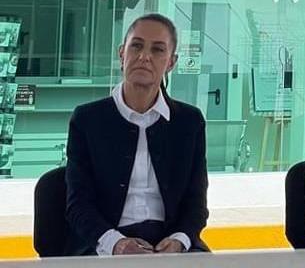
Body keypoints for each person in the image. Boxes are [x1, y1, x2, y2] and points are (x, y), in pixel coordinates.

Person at [65, 13, 208, 256]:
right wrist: (117, 244)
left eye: (158, 50)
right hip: (107, 242)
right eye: (137, 46)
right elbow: (78, 205)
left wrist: (179, 240)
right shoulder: (87, 120)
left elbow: (196, 204)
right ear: (122, 53)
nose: (144, 57)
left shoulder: (189, 122)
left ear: (171, 62)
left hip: (172, 244)